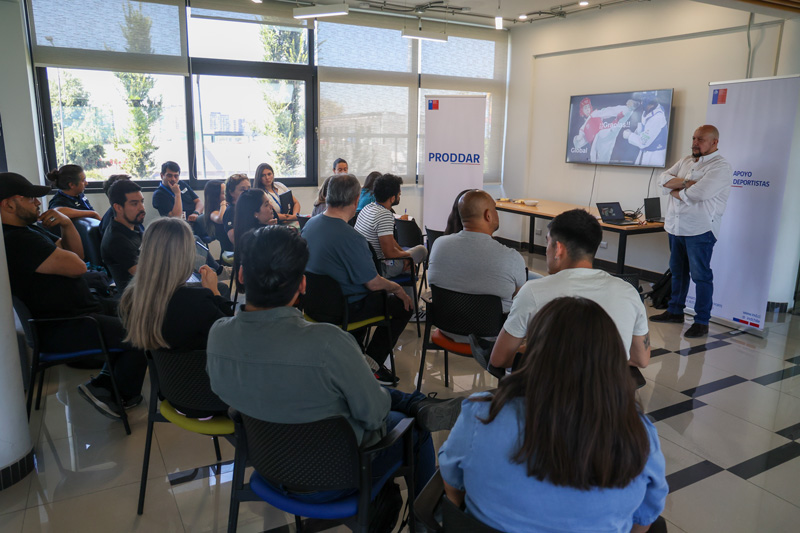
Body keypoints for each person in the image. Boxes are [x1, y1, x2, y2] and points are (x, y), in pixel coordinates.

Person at [206, 224, 461, 508]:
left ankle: (415, 403)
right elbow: (375, 414)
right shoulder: (328, 344)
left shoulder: (218, 335)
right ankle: (427, 514)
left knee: (350, 391)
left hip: (266, 467)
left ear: (241, 275)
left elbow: (225, 393)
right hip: (335, 478)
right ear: (302, 285)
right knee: (414, 430)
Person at [439, 297, 668, 533]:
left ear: (533, 352)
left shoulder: (482, 415)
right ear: (611, 359)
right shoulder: (638, 433)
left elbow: (452, 483)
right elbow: (644, 518)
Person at [1, 172, 146, 419]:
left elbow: (76, 255)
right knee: (140, 335)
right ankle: (114, 394)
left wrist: (67, 224)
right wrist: (68, 251)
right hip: (63, 325)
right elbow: (78, 266)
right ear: (9, 204)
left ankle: (105, 381)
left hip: (79, 311)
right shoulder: (17, 240)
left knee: (137, 313)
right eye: (30, 199)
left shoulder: (30, 232)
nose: (38, 203)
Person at [489, 208, 650, 370]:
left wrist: (533, 349)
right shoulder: (629, 292)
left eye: (547, 243)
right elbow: (641, 360)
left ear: (558, 249)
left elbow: (499, 359)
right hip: (607, 393)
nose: (546, 251)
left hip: (549, 392)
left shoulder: (533, 292)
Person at [302, 174, 414, 385]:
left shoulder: (310, 225)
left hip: (312, 304)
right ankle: (371, 364)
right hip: (343, 308)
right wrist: (397, 288)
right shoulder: (352, 238)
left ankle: (353, 355)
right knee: (402, 305)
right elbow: (373, 282)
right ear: (356, 200)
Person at [119, 217, 234, 418]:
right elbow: (234, 336)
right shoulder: (197, 301)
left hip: (172, 395)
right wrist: (215, 292)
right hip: (213, 399)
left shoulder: (132, 297)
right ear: (184, 255)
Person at [650, 124, 733, 338]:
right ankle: (675, 311)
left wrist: (675, 190)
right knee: (677, 271)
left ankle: (702, 321)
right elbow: (661, 180)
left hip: (700, 230)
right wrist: (687, 182)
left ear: (714, 142)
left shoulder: (720, 167)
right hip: (676, 227)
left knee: (701, 276)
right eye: (694, 138)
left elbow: (698, 194)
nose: (695, 143)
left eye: (701, 139)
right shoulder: (686, 161)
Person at [428, 190, 526, 348]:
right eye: (495, 209)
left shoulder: (439, 244)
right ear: (488, 215)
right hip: (492, 337)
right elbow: (521, 300)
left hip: (447, 329)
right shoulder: (511, 257)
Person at [354, 173, 427, 279]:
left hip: (363, 265)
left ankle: (400, 293)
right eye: (399, 194)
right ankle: (405, 294)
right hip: (379, 268)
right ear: (392, 198)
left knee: (408, 263)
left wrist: (404, 254)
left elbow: (390, 240)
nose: (400, 196)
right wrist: (406, 256)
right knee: (422, 250)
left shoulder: (367, 208)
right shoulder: (385, 215)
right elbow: (389, 253)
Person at [100, 180, 145, 292]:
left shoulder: (133, 225)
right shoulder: (116, 240)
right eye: (134, 203)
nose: (142, 208)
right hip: (137, 299)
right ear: (118, 207)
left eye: (142, 202)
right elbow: (146, 276)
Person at [573, 97, 637, 164]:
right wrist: (577, 139)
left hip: (602, 136)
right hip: (594, 147)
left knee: (615, 126)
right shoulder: (582, 128)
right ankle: (628, 110)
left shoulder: (594, 114)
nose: (587, 109)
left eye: (588, 107)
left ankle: (628, 109)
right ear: (582, 110)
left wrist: (625, 109)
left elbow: (609, 111)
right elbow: (578, 145)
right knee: (599, 161)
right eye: (585, 108)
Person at [622, 93, 668, 167]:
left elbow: (643, 142)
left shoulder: (657, 118)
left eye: (643, 102)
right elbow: (645, 126)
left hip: (654, 156)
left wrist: (629, 135)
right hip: (646, 153)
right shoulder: (649, 109)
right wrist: (635, 104)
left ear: (650, 104)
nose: (641, 103)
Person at [254, 162, 300, 227]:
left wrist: (295, 216)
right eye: (263, 175)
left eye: (269, 174)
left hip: (292, 220)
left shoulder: (279, 185)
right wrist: (290, 218)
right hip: (276, 224)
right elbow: (272, 214)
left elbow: (296, 203)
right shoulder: (260, 193)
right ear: (259, 177)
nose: (267, 178)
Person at [221, 173, 250, 251]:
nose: (247, 192)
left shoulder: (247, 208)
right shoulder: (231, 211)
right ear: (231, 192)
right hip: (239, 251)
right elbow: (235, 240)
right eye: (243, 190)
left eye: (249, 188)